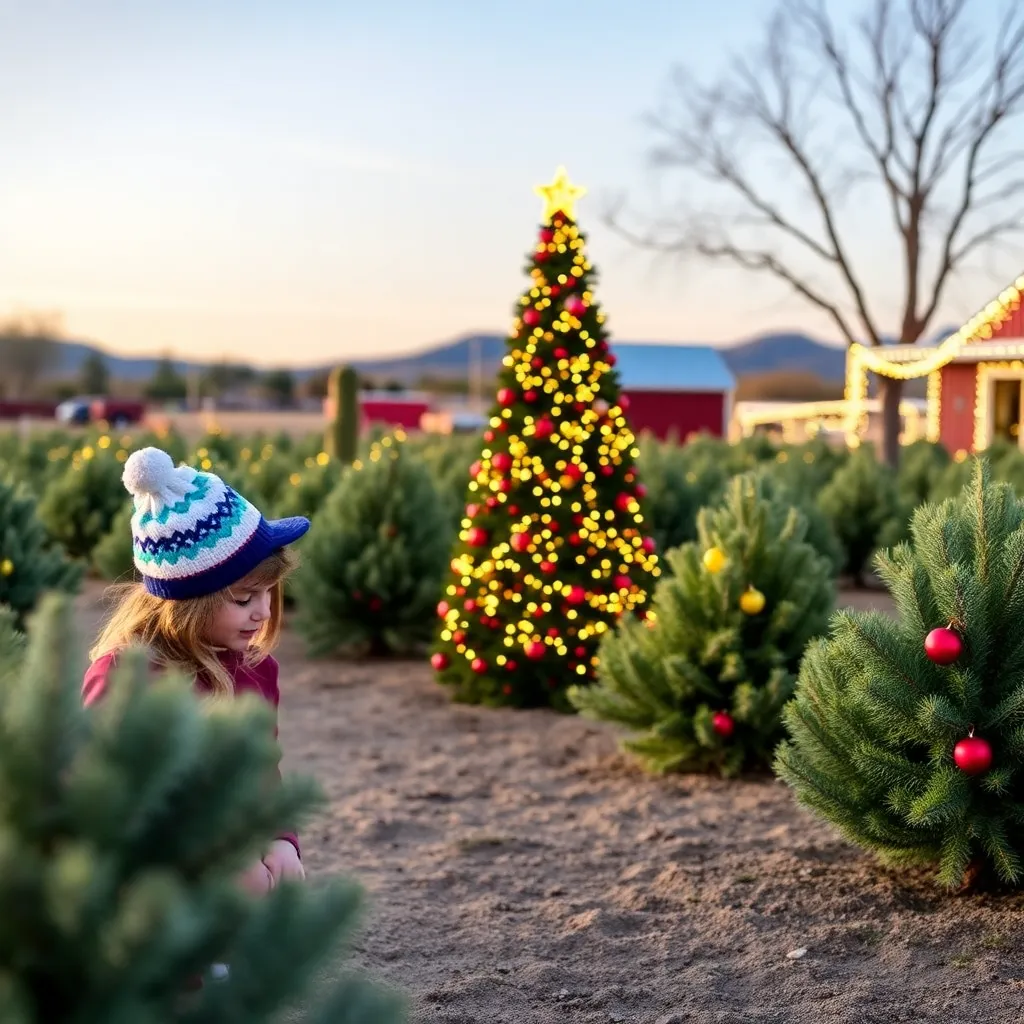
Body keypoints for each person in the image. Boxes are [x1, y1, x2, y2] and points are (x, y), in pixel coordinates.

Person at [82, 445, 310, 896]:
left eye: (270, 593)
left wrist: (281, 839)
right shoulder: (127, 678)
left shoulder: (256, 670)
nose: (262, 612)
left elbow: (261, 773)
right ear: (188, 605)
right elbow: (101, 803)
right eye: (244, 599)